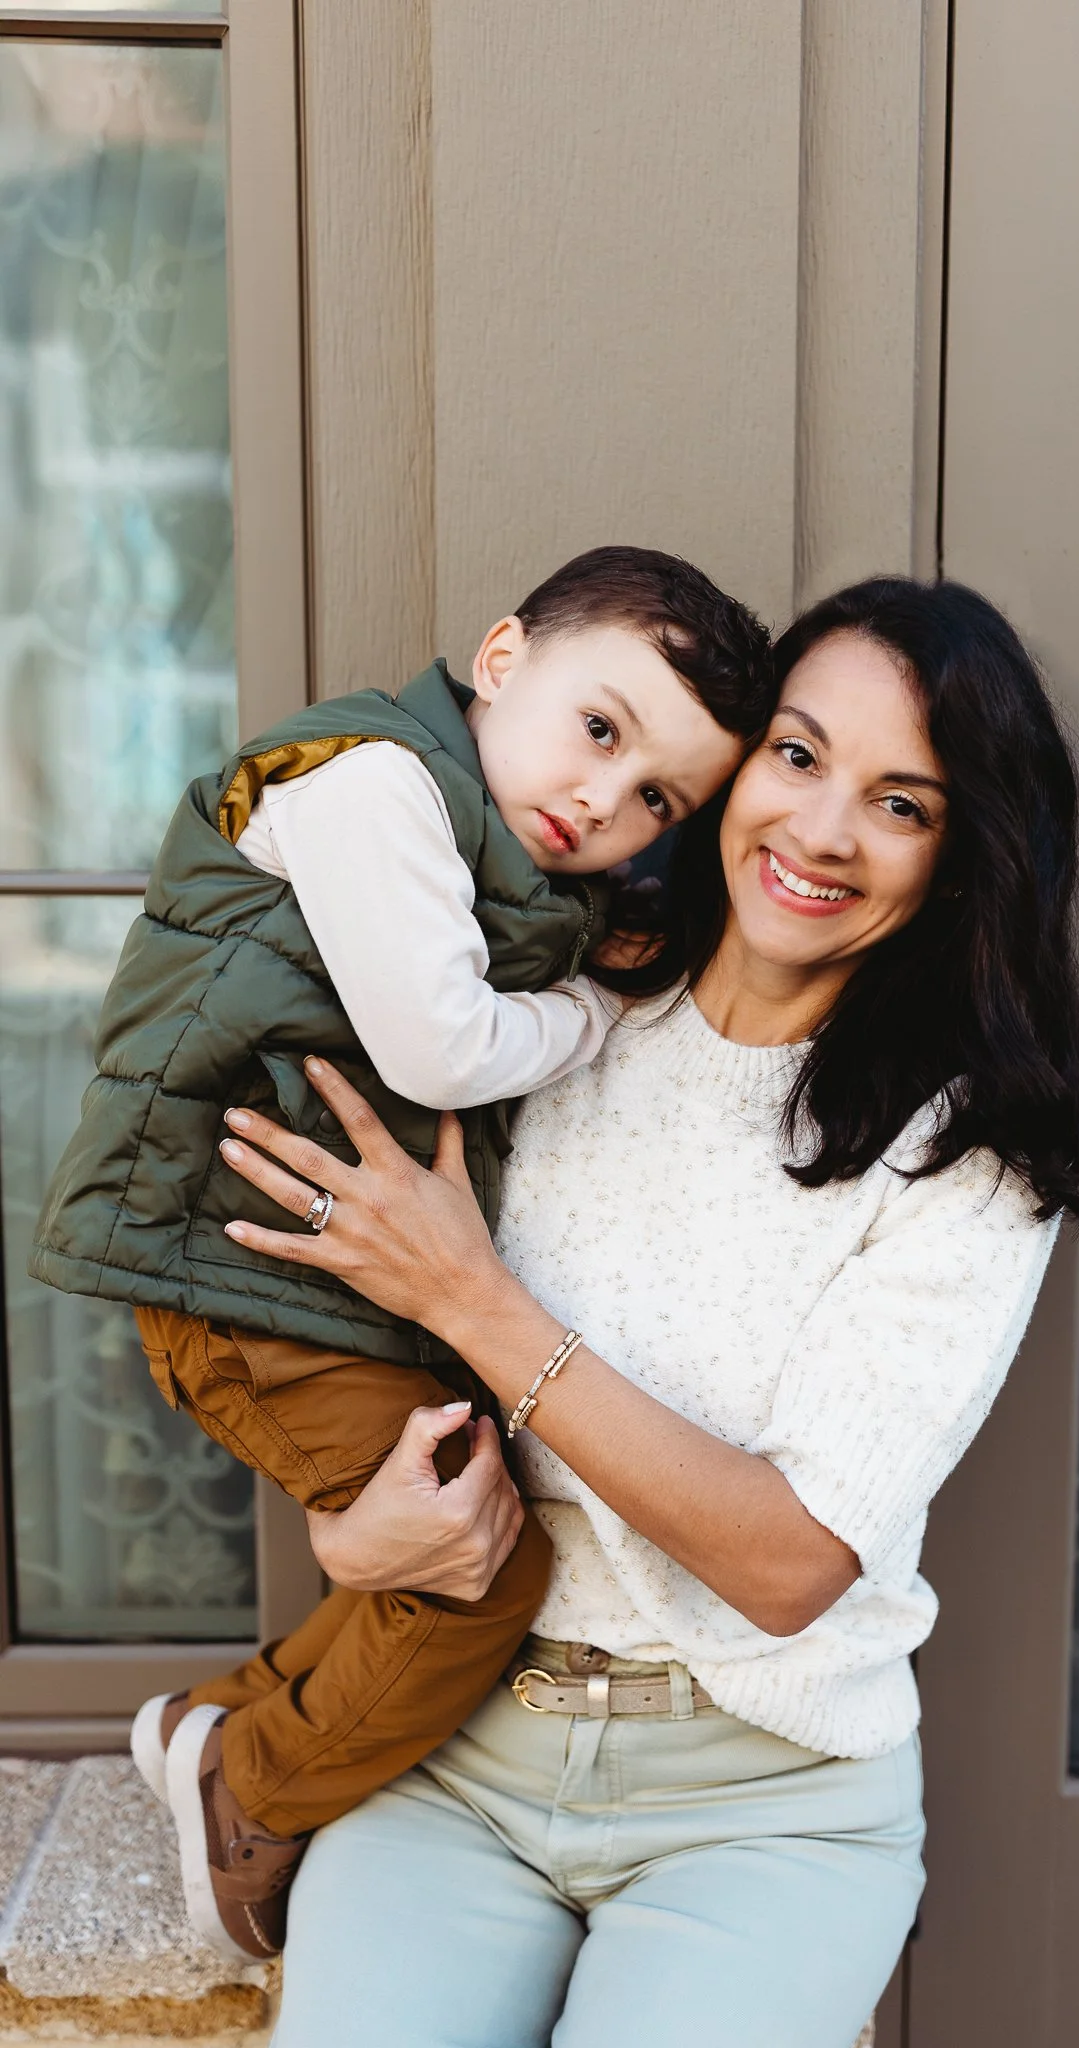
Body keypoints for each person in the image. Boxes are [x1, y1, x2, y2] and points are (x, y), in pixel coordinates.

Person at [213, 575, 1079, 2048]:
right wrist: (345, 1530)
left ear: (959, 857)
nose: (819, 834)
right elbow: (354, 1365)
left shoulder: (965, 1155)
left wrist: (481, 1304)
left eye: (901, 804)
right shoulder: (542, 1012)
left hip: (766, 1806)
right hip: (452, 1746)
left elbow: (790, 1562)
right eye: (799, 757)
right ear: (733, 766)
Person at [27, 546, 774, 1962]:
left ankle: (219, 1727)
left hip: (304, 1282)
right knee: (478, 1579)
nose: (602, 802)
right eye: (599, 730)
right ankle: (253, 1788)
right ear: (501, 661)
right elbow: (441, 1044)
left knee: (457, 1523)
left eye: (655, 799)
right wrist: (593, 1020)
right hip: (235, 1275)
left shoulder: (475, 844)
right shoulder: (374, 785)